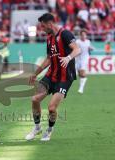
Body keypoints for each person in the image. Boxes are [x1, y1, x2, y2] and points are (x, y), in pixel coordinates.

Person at [25, 13, 81, 141]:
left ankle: (49, 130)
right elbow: (49, 59)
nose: (42, 29)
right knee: (34, 99)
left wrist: (68, 57)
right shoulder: (49, 38)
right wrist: (35, 73)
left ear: (50, 24)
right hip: (51, 75)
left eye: (43, 26)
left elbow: (77, 49)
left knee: (51, 108)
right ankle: (37, 127)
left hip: (65, 77)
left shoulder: (65, 34)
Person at [76, 30, 94, 94]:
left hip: (85, 58)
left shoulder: (88, 41)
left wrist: (91, 48)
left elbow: (89, 47)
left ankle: (81, 88)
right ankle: (83, 82)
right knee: (80, 74)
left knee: (82, 72)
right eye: (82, 35)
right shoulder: (78, 42)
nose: (84, 36)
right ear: (80, 35)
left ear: (86, 35)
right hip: (78, 59)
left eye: (84, 35)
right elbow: (76, 49)